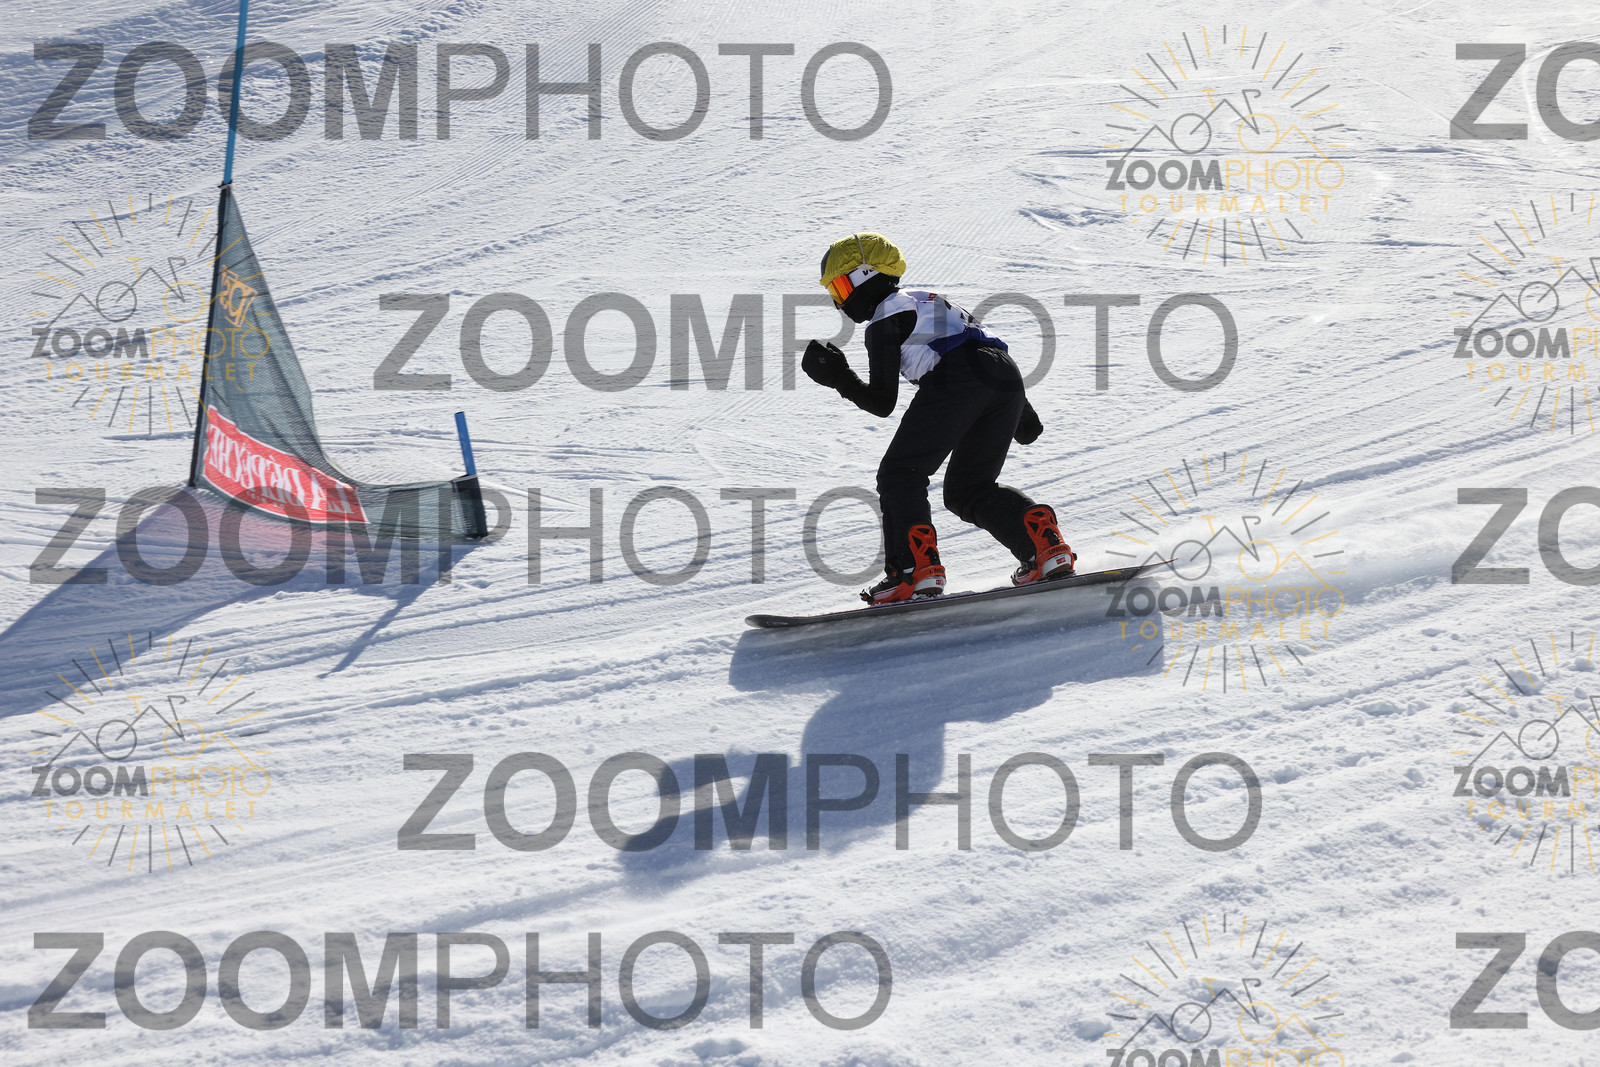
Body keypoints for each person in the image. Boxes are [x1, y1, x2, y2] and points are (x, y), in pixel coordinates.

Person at [802, 232, 1076, 605]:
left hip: (957, 378)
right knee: (968, 490)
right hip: (1004, 376)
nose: (839, 301)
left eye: (840, 287)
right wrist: (1022, 413)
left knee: (900, 474)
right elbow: (982, 349)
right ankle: (1045, 548)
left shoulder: (885, 317)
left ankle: (912, 572)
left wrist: (837, 376)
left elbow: (882, 403)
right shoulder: (927, 299)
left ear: (865, 276)